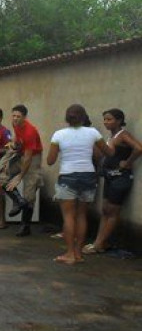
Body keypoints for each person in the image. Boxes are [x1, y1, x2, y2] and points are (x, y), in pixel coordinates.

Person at [47, 104, 112, 264]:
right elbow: (109, 152)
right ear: (84, 117)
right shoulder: (93, 132)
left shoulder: (59, 135)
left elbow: (50, 160)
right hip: (88, 177)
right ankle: (78, 253)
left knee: (69, 216)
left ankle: (69, 254)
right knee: (82, 215)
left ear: (67, 118)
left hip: (68, 176)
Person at [85, 108, 142, 254]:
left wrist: (128, 162)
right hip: (110, 177)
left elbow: (139, 148)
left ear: (119, 121)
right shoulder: (110, 137)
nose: (105, 122)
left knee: (112, 212)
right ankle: (100, 242)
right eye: (104, 119)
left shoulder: (123, 135)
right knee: (105, 210)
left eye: (109, 119)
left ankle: (98, 244)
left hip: (121, 178)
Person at [6, 104, 44, 237]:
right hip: (21, 154)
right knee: (0, 175)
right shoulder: (15, 124)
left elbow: (28, 157)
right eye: (14, 116)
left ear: (25, 117)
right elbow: (16, 137)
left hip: (33, 157)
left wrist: (20, 176)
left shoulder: (30, 131)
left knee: (29, 192)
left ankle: (25, 225)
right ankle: (18, 201)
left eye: (18, 116)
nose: (15, 119)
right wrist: (13, 143)